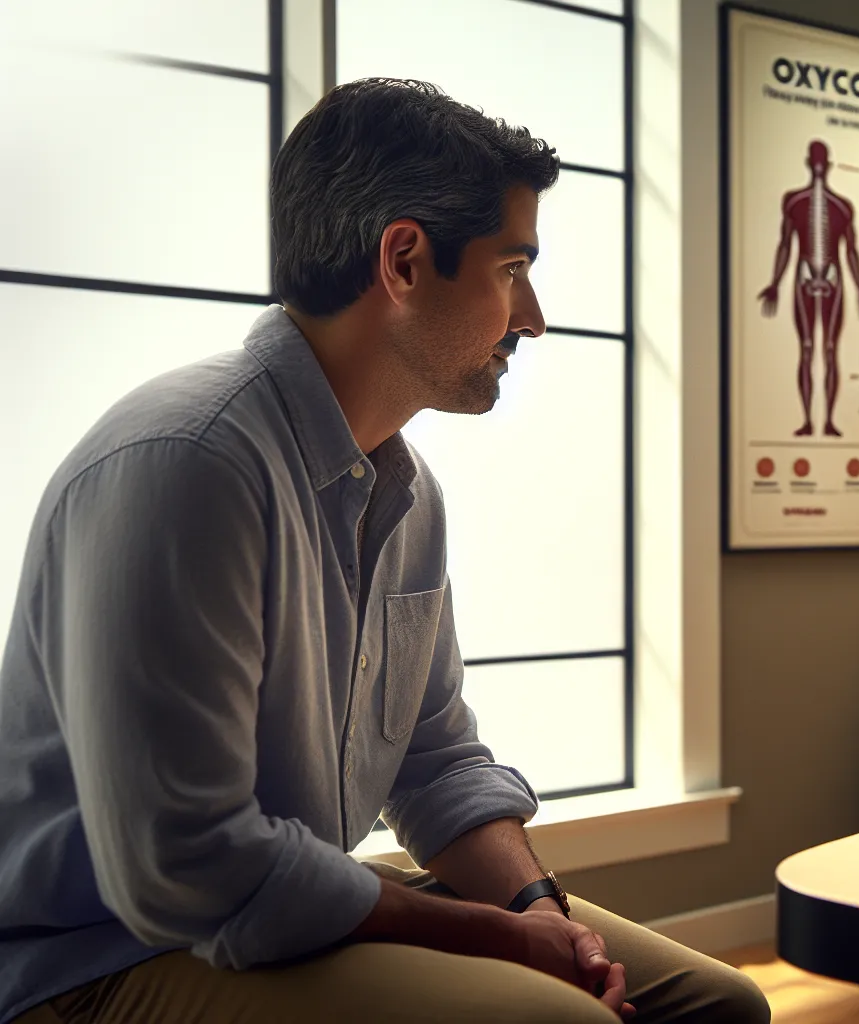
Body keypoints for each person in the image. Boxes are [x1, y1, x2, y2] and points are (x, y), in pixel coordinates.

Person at [0, 79, 768, 1024]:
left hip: (277, 912)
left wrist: (540, 914)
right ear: (403, 259)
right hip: (100, 959)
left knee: (717, 1004)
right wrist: (497, 940)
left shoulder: (408, 498)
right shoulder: (185, 467)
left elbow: (436, 764)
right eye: (511, 268)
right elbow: (187, 872)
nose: (532, 317)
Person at [756, 139, 859, 438]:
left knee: (831, 350)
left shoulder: (842, 207)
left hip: (833, 279)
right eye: (816, 159)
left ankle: (830, 421)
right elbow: (785, 244)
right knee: (807, 349)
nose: (819, 165)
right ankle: (808, 420)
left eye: (823, 159)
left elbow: (851, 251)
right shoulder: (794, 202)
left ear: (828, 164)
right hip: (804, 278)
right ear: (809, 163)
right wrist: (775, 283)